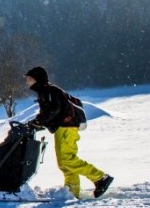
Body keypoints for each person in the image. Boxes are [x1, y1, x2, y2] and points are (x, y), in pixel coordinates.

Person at [25, 66, 114, 198]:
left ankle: (101, 178)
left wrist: (38, 121)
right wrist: (38, 122)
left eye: (29, 79)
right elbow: (52, 111)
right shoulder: (46, 91)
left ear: (37, 79)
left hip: (66, 128)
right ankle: (72, 192)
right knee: (64, 162)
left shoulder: (49, 91)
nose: (27, 82)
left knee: (67, 159)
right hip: (64, 128)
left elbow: (53, 110)